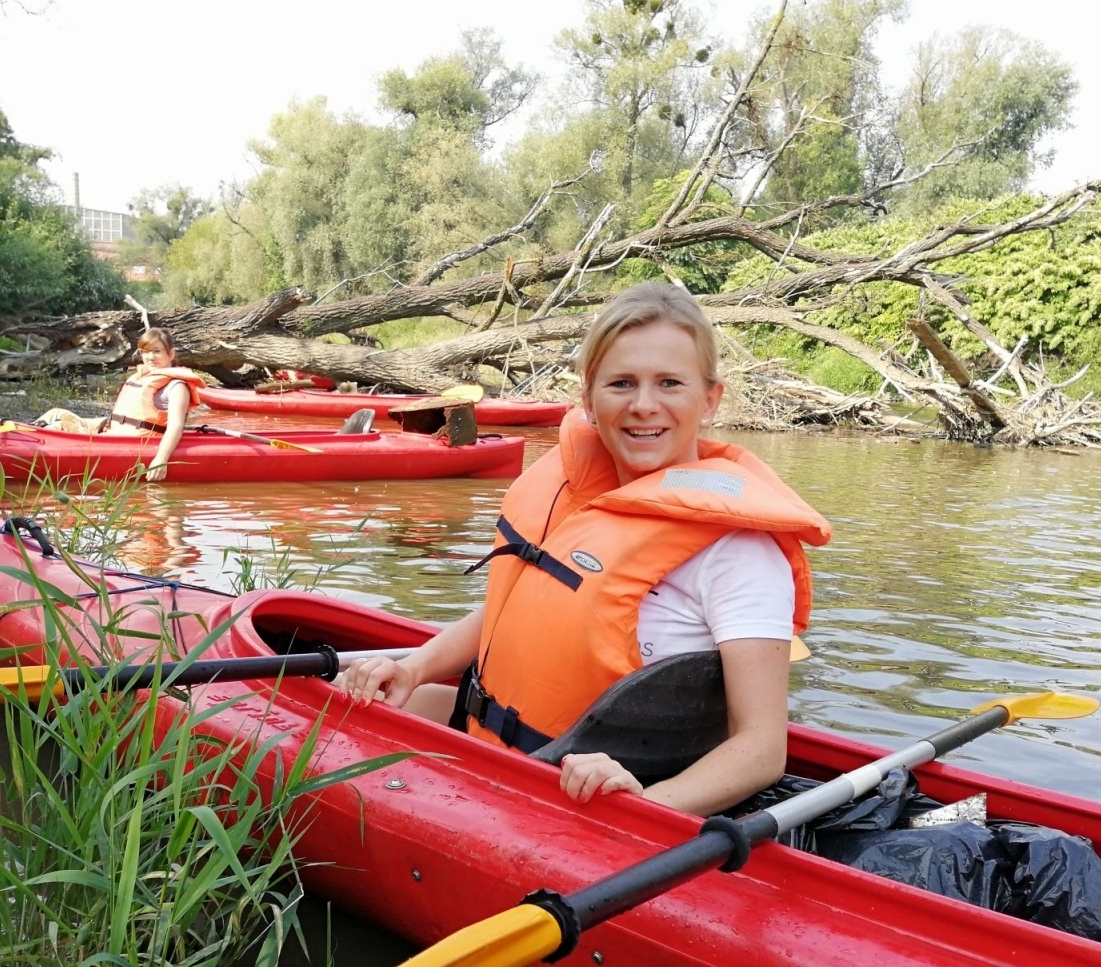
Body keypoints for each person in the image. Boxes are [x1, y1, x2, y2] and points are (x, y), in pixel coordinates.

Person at [341, 283, 832, 817]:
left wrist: (645, 805)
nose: (644, 405)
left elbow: (761, 750)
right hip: (499, 746)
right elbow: (520, 610)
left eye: (670, 383)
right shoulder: (581, 497)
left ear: (709, 400)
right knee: (340, 710)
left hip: (607, 792)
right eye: (621, 383)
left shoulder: (740, 553)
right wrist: (415, 668)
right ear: (589, 402)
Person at [33, 326, 206, 481]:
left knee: (57, 427)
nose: (150, 357)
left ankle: (24, 452)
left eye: (157, 351)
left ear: (171, 354)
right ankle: (18, 436)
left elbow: (175, 426)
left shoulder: (176, 387)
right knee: (56, 413)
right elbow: (124, 418)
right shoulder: (141, 377)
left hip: (133, 443)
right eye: (145, 351)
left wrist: (161, 459)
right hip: (113, 434)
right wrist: (93, 423)